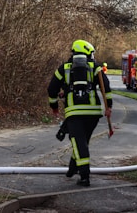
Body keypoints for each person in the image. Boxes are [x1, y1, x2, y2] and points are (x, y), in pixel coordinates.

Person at [47, 40, 112, 186]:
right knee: (82, 142)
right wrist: (109, 107)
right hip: (93, 114)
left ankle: (84, 177)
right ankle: (72, 169)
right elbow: (106, 88)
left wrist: (54, 106)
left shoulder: (63, 69)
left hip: (74, 113)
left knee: (79, 143)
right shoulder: (95, 68)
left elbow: (52, 89)